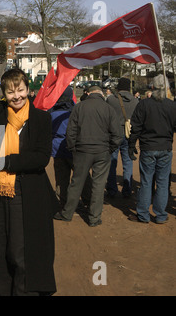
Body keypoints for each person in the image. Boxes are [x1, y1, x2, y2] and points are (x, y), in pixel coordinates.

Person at [0, 68, 58, 296]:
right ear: (3, 93)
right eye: (11, 92)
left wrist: (2, 162)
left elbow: (41, 157)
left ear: (29, 90)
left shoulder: (41, 119)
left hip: (27, 195)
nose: (17, 96)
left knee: (20, 252)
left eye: (21, 90)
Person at [54, 86, 123, 227]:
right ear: (101, 94)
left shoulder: (79, 107)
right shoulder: (108, 108)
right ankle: (94, 217)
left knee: (76, 183)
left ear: (88, 93)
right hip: (102, 151)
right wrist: (109, 148)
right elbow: (117, 134)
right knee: (98, 185)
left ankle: (67, 213)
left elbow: (71, 131)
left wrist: (73, 148)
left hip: (82, 151)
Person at [127, 74, 176, 224]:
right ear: (166, 88)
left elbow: (136, 127)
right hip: (164, 148)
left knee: (147, 181)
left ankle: (143, 214)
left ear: (152, 87)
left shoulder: (144, 104)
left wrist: (131, 144)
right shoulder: (171, 105)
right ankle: (160, 215)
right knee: (162, 182)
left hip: (149, 148)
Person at [48, 86, 92, 210]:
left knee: (61, 179)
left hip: (58, 150)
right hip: (75, 149)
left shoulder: (51, 113)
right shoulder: (75, 111)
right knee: (83, 177)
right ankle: (88, 201)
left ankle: (63, 204)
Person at [105, 77, 139, 198]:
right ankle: (127, 188)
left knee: (112, 162)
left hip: (113, 134)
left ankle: (112, 189)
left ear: (118, 87)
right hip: (129, 134)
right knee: (128, 162)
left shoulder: (111, 100)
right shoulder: (135, 101)